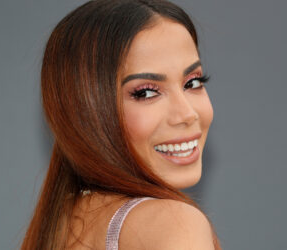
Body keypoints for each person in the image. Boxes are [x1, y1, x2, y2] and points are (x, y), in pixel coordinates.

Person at [21, 0, 221, 249]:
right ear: (88, 110)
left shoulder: (62, 220)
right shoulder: (175, 223)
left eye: (193, 82)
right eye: (146, 93)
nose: (187, 114)